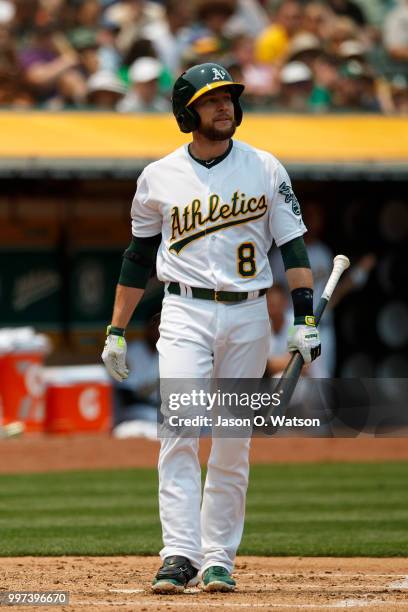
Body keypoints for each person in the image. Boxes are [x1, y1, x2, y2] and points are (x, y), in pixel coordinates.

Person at [102, 62, 321, 594]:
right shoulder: (158, 176)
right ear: (186, 111)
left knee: (232, 438)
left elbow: (291, 246)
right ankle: (179, 553)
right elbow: (137, 258)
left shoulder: (266, 168)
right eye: (210, 98)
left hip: (248, 314)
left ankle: (218, 557)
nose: (223, 105)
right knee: (178, 428)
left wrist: (304, 317)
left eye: (228, 96)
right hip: (183, 311)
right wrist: (116, 329)